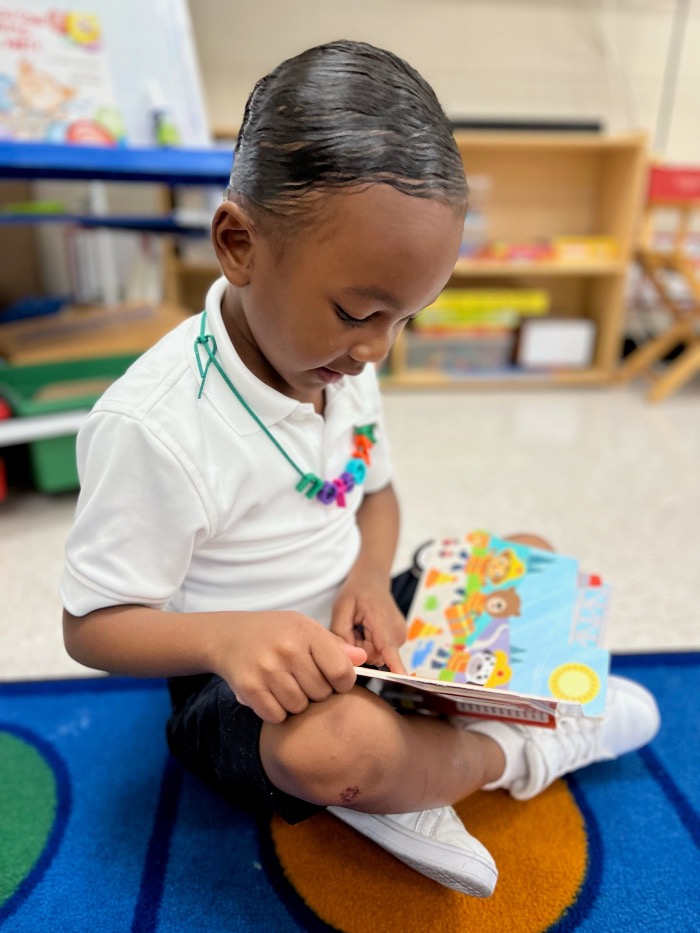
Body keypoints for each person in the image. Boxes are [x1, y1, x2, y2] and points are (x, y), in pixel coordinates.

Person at [61, 40, 660, 898]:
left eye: (404, 319)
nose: (377, 347)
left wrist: (373, 578)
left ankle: (411, 761)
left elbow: (375, 497)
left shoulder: (339, 363)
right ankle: (522, 750)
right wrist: (228, 639)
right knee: (334, 748)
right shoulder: (153, 424)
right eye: (357, 311)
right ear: (239, 244)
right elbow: (92, 624)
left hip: (363, 631)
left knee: (526, 554)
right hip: (242, 682)